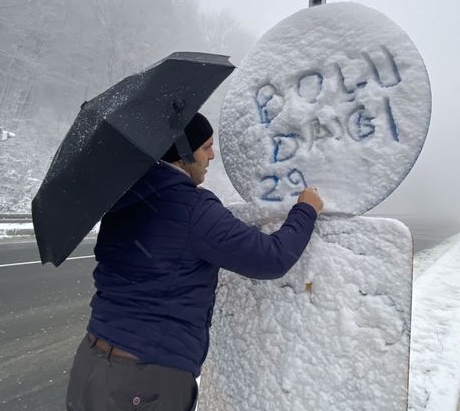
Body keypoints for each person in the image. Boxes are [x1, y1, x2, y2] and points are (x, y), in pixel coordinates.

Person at [66, 112, 323, 411]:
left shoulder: (121, 198)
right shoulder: (193, 208)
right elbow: (271, 258)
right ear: (183, 153)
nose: (212, 155)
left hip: (91, 363)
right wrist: (306, 210)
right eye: (206, 147)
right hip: (145, 379)